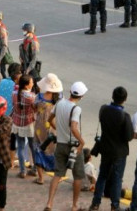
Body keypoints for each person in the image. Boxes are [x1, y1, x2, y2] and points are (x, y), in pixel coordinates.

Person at [45, 81, 89, 211]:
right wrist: (82, 142)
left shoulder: (59, 103)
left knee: (57, 174)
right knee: (78, 176)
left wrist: (57, 129)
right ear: (81, 96)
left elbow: (49, 119)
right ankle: (74, 205)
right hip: (74, 147)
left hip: (61, 144)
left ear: (70, 92)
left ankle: (49, 203)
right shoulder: (76, 109)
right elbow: (74, 128)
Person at [89, 86, 134, 211]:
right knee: (117, 178)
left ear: (113, 96)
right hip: (119, 152)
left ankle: (95, 203)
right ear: (125, 99)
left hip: (106, 149)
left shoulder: (104, 109)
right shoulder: (125, 116)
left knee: (102, 176)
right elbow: (129, 136)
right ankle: (115, 205)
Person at [33, 73, 62, 185]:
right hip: (53, 127)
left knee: (39, 150)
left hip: (39, 127)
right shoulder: (59, 98)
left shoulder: (39, 97)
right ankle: (58, 176)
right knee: (54, 151)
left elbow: (34, 108)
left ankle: (41, 178)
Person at [12, 74, 37, 178]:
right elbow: (36, 108)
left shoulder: (14, 93)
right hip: (29, 123)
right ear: (27, 86)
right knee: (33, 147)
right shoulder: (31, 97)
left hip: (17, 123)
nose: (33, 83)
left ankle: (23, 171)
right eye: (31, 82)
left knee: (20, 147)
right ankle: (35, 169)